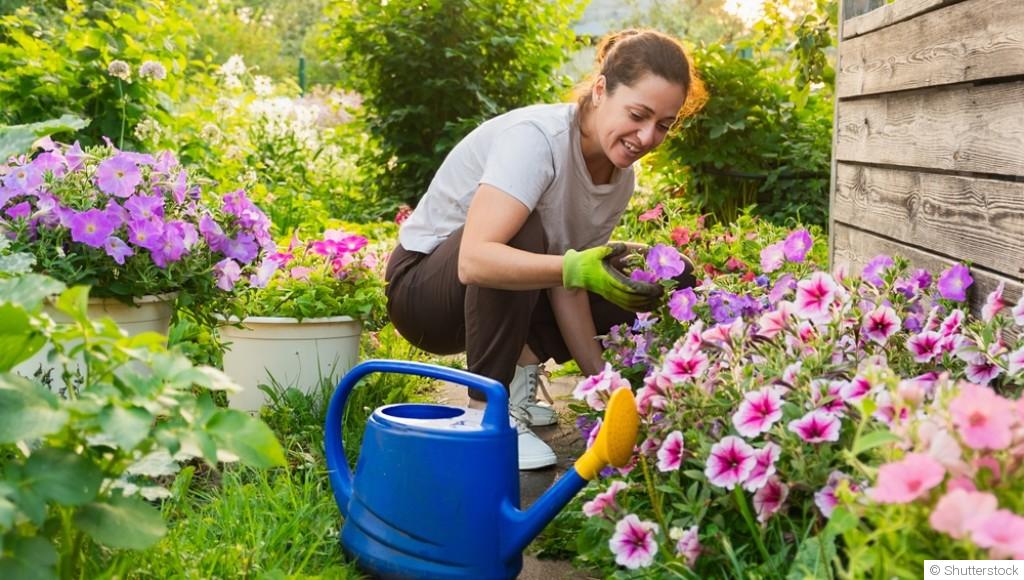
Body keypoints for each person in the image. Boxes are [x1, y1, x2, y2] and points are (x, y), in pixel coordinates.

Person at [385, 29, 704, 470]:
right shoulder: (537, 139)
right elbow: (475, 260)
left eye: (664, 125)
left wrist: (606, 390)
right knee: (523, 230)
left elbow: (568, 280)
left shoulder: (619, 176)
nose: (648, 137)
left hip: (490, 300)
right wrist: (573, 268)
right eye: (638, 114)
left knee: (660, 271)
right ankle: (486, 415)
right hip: (424, 294)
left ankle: (519, 376)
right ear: (600, 90)